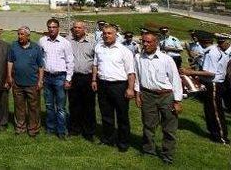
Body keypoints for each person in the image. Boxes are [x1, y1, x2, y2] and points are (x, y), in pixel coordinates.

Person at [134, 31, 183, 165]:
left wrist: (177, 101)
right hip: (147, 95)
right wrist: (137, 94)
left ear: (156, 43)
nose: (145, 44)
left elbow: (175, 80)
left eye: (149, 42)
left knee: (169, 127)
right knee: (148, 125)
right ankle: (148, 150)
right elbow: (137, 77)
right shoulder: (138, 58)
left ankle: (167, 155)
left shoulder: (166, 59)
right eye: (143, 41)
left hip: (166, 96)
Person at [92, 24, 136, 152]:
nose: (106, 35)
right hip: (103, 84)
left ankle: (123, 143)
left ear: (116, 35)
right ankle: (108, 138)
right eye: (104, 33)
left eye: (109, 33)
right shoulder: (99, 47)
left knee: (122, 116)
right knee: (106, 114)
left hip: (119, 86)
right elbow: (95, 65)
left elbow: (131, 72)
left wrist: (130, 88)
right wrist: (94, 79)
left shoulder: (124, 51)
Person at [181, 31, 228, 144]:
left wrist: (189, 71)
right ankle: (214, 133)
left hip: (213, 84)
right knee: (209, 110)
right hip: (212, 83)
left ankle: (221, 137)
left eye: (199, 39)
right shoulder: (214, 50)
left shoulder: (211, 53)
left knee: (215, 111)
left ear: (203, 41)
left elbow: (210, 73)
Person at [38, 18, 74, 139]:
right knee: (48, 105)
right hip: (47, 77)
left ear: (58, 28)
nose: (52, 29)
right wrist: (41, 78)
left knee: (61, 107)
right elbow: (40, 59)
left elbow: (70, 61)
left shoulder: (65, 43)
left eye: (54, 27)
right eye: (49, 27)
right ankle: (50, 128)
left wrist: (68, 79)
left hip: (60, 77)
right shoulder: (42, 41)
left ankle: (61, 130)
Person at [7, 26, 44, 137]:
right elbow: (10, 61)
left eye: (22, 34)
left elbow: (41, 66)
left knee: (33, 108)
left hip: (32, 83)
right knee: (19, 107)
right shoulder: (14, 46)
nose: (19, 36)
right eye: (18, 34)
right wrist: (9, 76)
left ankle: (33, 129)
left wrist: (40, 81)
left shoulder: (36, 47)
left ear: (28, 36)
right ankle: (20, 127)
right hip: (17, 83)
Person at [68, 21, 97, 141]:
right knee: (74, 104)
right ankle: (75, 128)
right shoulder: (68, 42)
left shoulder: (92, 43)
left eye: (79, 27)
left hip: (88, 77)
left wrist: (95, 79)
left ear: (84, 29)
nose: (77, 29)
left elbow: (97, 61)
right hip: (73, 77)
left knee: (89, 105)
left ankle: (89, 131)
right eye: (75, 27)